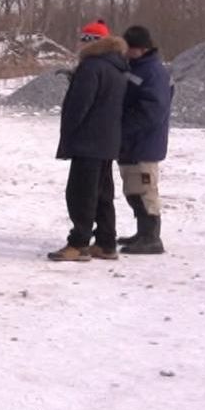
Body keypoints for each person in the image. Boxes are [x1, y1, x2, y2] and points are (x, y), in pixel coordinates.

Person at [48, 21, 130, 262]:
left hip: (88, 140)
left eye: (81, 38)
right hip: (107, 140)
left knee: (80, 193)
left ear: (91, 42)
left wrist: (69, 132)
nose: (77, 43)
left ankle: (79, 243)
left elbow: (79, 105)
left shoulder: (91, 67)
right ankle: (106, 242)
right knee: (103, 193)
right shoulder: (118, 66)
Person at [118, 24, 171, 255]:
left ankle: (151, 237)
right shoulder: (138, 68)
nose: (125, 52)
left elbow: (152, 110)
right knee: (133, 189)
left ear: (139, 48)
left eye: (128, 48)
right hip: (132, 144)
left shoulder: (153, 72)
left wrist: (122, 127)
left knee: (145, 190)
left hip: (143, 143)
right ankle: (142, 233)